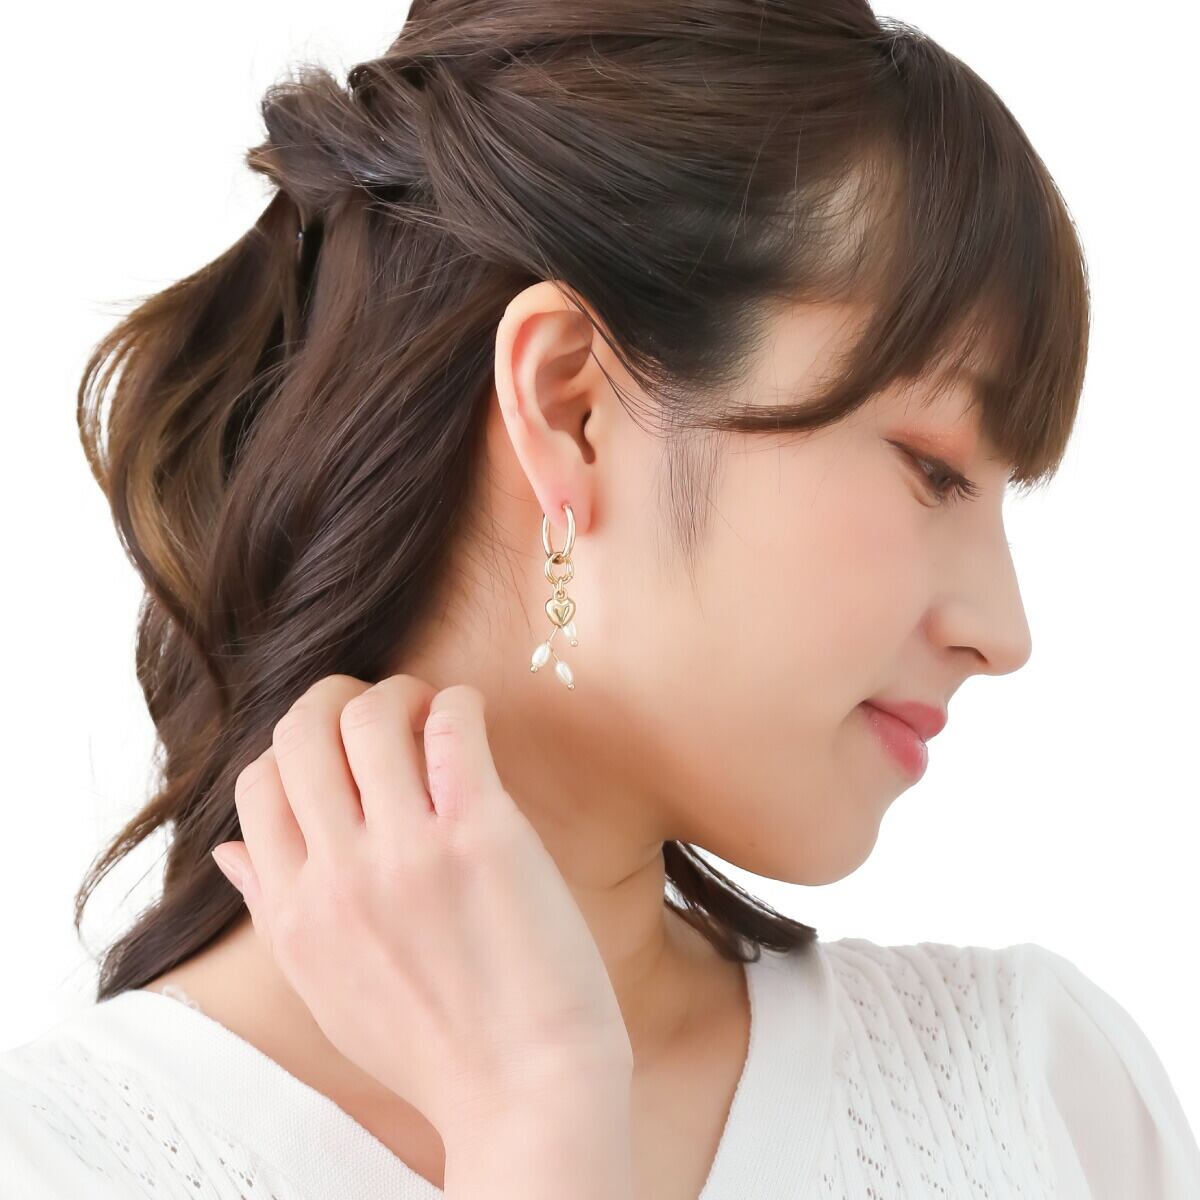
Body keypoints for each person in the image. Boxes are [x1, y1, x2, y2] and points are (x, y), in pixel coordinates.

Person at [3, 1, 1198, 1197]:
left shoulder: (1042, 1101)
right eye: (934, 470)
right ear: (572, 406)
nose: (1004, 633)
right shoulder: (61, 1163)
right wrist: (531, 1112)